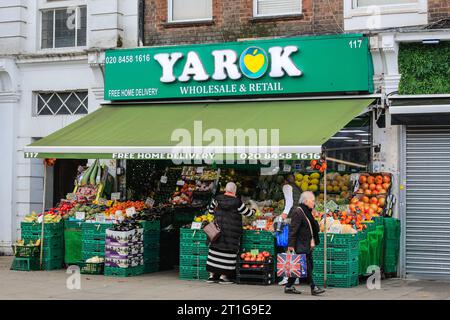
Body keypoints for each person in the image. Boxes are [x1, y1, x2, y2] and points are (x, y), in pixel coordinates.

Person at [205, 182, 256, 284]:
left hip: (217, 231)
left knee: (214, 251)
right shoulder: (237, 202)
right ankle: (223, 277)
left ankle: (211, 276)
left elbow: (210, 212)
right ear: (235, 191)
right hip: (231, 233)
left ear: (226, 190)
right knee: (228, 254)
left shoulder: (217, 199)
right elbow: (248, 213)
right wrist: (254, 208)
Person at [284, 191, 325, 295]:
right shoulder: (298, 212)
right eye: (313, 201)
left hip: (306, 243)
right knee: (307, 264)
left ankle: (288, 286)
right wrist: (291, 245)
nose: (314, 203)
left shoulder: (307, 211)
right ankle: (313, 287)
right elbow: (293, 230)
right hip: (300, 243)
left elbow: (314, 226)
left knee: (301, 265)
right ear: (306, 201)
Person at [278, 174, 302, 286]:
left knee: (287, 246)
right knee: (293, 247)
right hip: (298, 218)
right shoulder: (298, 188)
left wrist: (282, 216)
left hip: (290, 219)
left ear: (284, 180)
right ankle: (295, 277)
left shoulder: (286, 187)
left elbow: (289, 203)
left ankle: (287, 277)